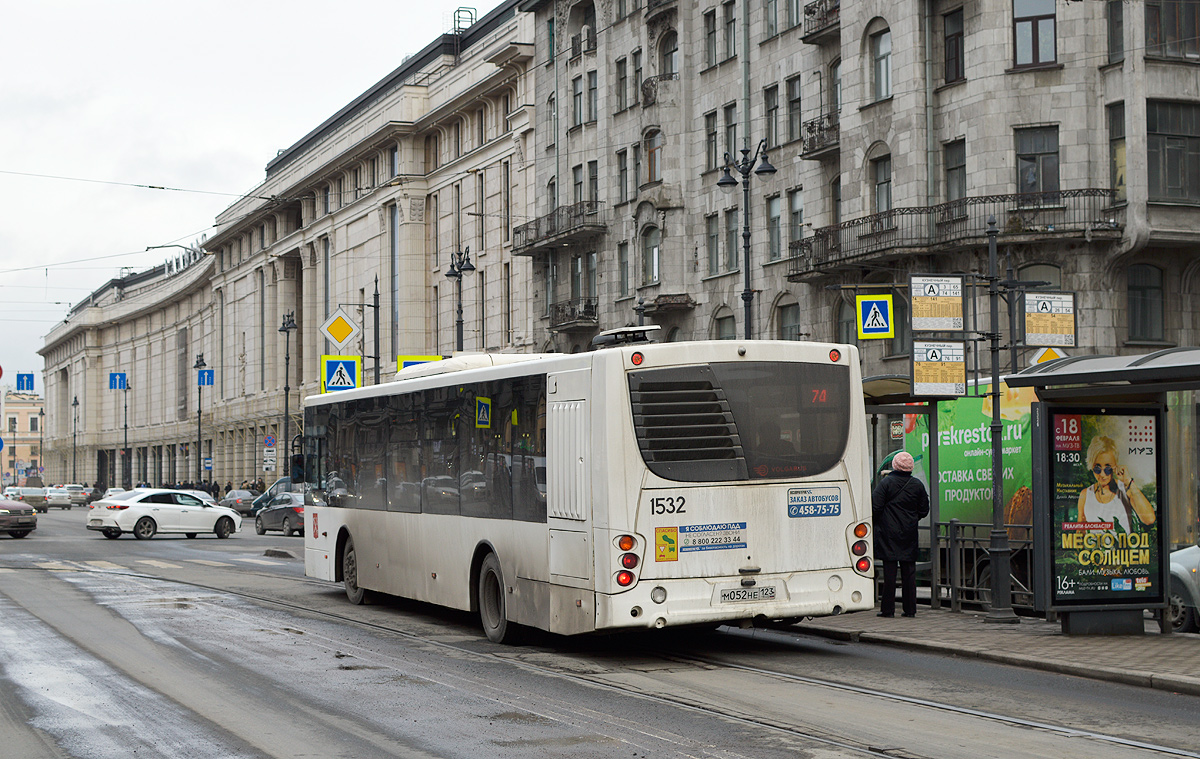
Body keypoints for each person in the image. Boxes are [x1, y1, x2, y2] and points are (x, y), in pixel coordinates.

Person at [872, 451, 929, 618]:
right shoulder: (917, 485)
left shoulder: (886, 483)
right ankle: (910, 609)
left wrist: (882, 521)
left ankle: (888, 610)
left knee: (889, 573)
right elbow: (924, 510)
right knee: (909, 573)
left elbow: (875, 506)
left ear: (895, 465)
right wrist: (911, 518)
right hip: (908, 533)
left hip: (888, 534)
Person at [1076, 435, 1155, 533]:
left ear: (1115, 465)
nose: (1102, 474)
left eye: (1108, 468)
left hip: (1124, 547)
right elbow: (1080, 532)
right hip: (1094, 548)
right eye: (1097, 468)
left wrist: (1128, 481)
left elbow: (1149, 520)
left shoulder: (1126, 490)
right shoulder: (1085, 495)